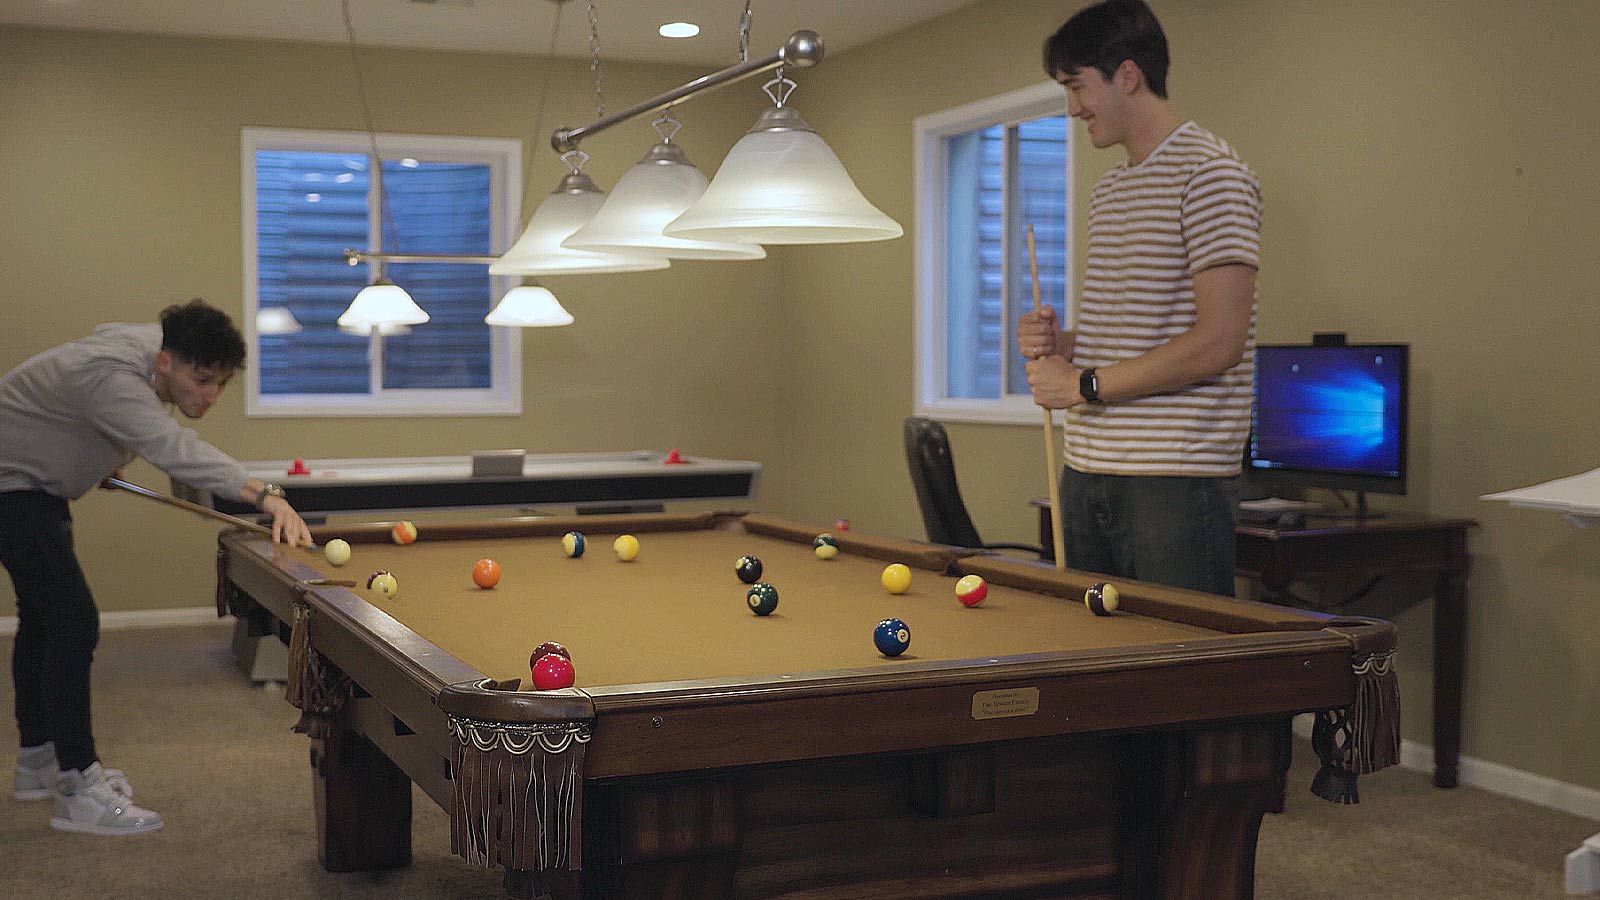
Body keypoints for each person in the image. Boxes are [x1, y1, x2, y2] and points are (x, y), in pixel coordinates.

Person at [0, 299, 312, 835]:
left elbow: (85, 413)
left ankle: (37, 762)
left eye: (221, 383)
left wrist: (96, 456)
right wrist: (267, 495)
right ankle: (78, 786)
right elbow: (172, 446)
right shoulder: (113, 377)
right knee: (74, 623)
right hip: (13, 490)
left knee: (44, 620)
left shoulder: (151, 347)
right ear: (165, 362)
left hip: (29, 485)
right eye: (203, 380)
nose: (210, 395)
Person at [1018, 0, 1262, 595]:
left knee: (1179, 679)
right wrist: (1063, 345)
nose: (1072, 108)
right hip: (1087, 467)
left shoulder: (1212, 173)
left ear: (1128, 76)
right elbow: (1133, 337)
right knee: (1094, 669)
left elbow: (1220, 341)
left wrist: (1083, 383)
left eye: (1078, 87)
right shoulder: (1110, 190)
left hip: (1174, 482)